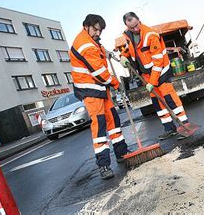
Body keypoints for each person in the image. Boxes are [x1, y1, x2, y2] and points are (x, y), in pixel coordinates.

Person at [69, 14, 129, 180]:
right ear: (86, 26)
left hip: (100, 89)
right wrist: (116, 83)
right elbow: (99, 72)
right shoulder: (85, 45)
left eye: (100, 30)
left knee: (113, 121)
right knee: (100, 125)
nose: (98, 33)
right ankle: (103, 165)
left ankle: (122, 153)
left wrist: (107, 53)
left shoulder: (92, 40)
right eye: (95, 29)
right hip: (90, 90)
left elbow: (99, 51)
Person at [118, 12, 190, 140]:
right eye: (131, 27)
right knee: (158, 104)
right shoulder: (128, 35)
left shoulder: (150, 35)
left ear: (139, 20)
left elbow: (158, 62)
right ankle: (169, 128)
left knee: (170, 100)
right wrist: (123, 56)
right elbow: (131, 49)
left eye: (136, 25)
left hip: (161, 72)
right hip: (146, 75)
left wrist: (152, 81)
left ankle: (185, 126)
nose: (135, 29)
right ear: (127, 26)